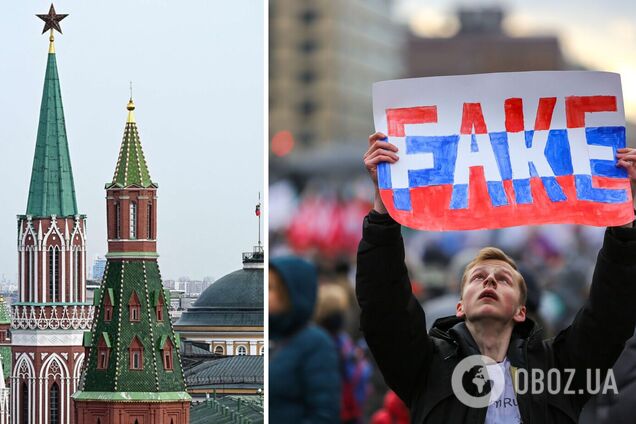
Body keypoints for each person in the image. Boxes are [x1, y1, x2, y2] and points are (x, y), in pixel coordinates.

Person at [356, 132, 636, 423]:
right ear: (460, 306)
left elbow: (610, 314)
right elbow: (384, 308)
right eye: (477, 277)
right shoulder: (427, 368)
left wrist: (623, 217)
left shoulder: (558, 371)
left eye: (503, 279)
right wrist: (384, 208)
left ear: (521, 310)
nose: (489, 281)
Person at [269, 256, 341, 423]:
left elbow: (324, 414)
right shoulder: (272, 336)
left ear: (291, 293)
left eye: (271, 288)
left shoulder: (316, 344)